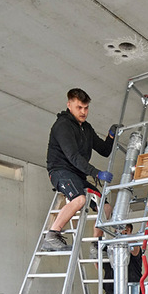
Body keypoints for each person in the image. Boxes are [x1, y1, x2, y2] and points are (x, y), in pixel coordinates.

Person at [41, 88, 117, 251]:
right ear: (69, 105)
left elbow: (104, 150)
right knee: (79, 199)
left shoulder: (86, 128)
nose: (83, 112)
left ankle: (96, 245)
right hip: (60, 171)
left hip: (78, 175)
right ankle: (52, 235)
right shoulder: (62, 126)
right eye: (79, 107)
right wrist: (96, 173)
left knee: (106, 207)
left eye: (86, 108)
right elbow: (73, 156)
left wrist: (111, 136)